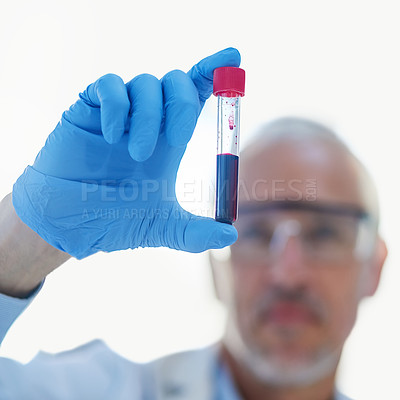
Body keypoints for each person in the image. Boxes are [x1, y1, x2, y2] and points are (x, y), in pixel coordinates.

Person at [0, 48, 387, 399]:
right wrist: (19, 243)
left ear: (375, 266)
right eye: (254, 233)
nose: (287, 274)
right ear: (216, 268)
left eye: (324, 234)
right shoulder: (98, 390)